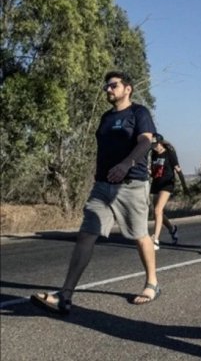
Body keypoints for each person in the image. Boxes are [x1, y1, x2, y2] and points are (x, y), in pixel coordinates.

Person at [31, 71, 160, 315]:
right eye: (106, 87)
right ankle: (65, 295)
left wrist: (126, 164)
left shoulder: (138, 113)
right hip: (102, 186)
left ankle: (152, 283)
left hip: (131, 184)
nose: (108, 90)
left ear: (127, 89)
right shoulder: (105, 118)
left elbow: (145, 142)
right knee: (86, 234)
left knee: (140, 235)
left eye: (113, 85)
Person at [149, 134, 187, 250]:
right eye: (152, 144)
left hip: (167, 184)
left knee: (157, 210)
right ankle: (172, 229)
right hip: (156, 183)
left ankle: (155, 240)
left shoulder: (169, 152)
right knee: (157, 213)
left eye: (155, 144)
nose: (153, 146)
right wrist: (149, 171)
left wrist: (185, 186)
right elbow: (154, 170)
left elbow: (178, 169)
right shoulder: (153, 153)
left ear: (160, 143)